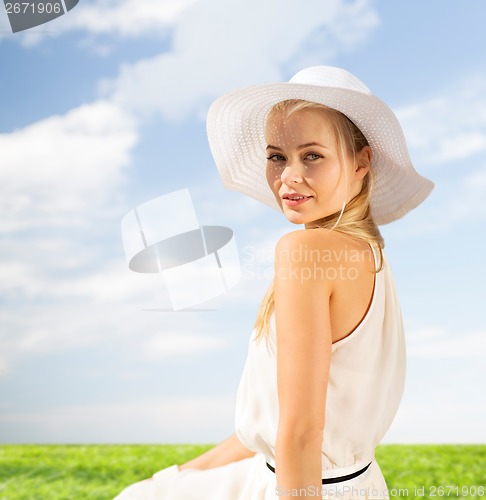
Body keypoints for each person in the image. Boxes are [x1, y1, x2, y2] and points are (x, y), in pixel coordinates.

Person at [114, 66, 434, 499]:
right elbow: (269, 428)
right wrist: (169, 480)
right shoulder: (371, 255)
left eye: (312, 155)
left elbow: (301, 433)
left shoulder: (306, 251)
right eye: (277, 156)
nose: (288, 176)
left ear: (361, 162)